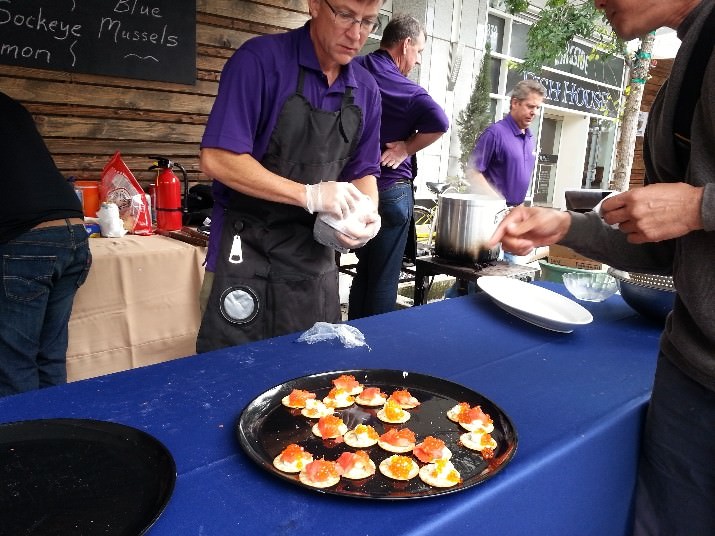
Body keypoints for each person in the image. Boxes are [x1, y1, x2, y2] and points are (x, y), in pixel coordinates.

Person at [489, 0, 715, 533]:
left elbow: (692, 215)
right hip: (688, 375)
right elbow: (667, 246)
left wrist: (698, 207)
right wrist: (568, 227)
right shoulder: (682, 71)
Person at [196, 0, 385, 353]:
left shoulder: (366, 89)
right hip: (246, 254)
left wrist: (366, 215)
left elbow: (363, 171)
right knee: (231, 380)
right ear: (314, 4)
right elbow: (218, 158)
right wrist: (309, 195)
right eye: (345, 15)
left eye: (368, 22)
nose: (356, 33)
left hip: (315, 264)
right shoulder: (259, 62)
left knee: (313, 385)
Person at [347, 14, 449, 319]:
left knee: (364, 272)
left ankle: (352, 341)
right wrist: (407, 147)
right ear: (405, 45)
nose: (417, 61)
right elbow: (441, 122)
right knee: (382, 280)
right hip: (391, 192)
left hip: (355, 193)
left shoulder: (352, 69)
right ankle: (372, 355)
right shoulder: (408, 91)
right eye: (418, 51)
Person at [0, 91, 92, 397]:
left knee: (14, 363)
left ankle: (22, 444)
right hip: (74, 231)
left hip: (27, 239)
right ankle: (54, 437)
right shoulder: (11, 105)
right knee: (49, 356)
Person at [467, 79, 545, 207]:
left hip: (517, 211)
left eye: (537, 108)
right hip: (492, 213)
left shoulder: (530, 137)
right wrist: (498, 204)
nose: (534, 112)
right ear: (515, 103)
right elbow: (473, 172)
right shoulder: (495, 133)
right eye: (530, 106)